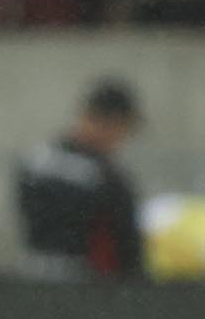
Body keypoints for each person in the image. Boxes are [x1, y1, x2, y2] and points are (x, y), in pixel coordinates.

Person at [15, 79, 145, 281]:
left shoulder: (36, 160)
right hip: (87, 285)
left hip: (35, 274)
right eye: (123, 131)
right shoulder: (106, 177)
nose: (120, 141)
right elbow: (125, 243)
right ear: (113, 124)